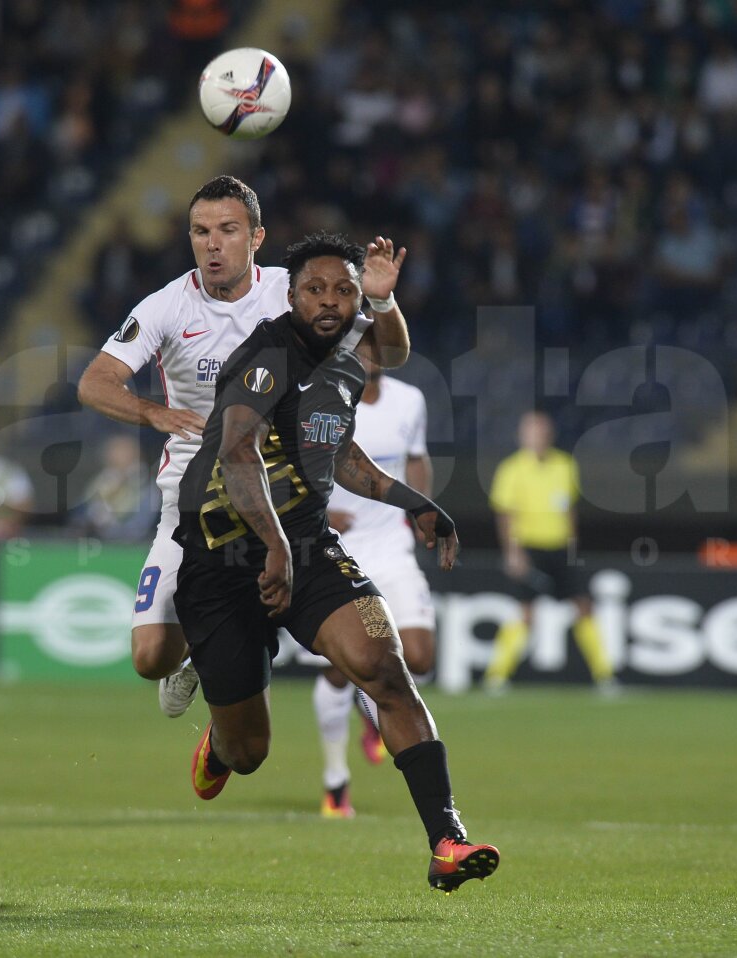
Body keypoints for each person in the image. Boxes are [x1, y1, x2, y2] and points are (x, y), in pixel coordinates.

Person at [172, 232, 499, 892]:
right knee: (250, 752)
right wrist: (273, 548)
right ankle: (221, 731)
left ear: (357, 299)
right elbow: (237, 455)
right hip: (224, 554)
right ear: (291, 297)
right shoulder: (266, 354)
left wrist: (414, 501)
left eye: (343, 291)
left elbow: (340, 455)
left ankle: (447, 841)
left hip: (305, 547)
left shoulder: (349, 365)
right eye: (315, 290)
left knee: (385, 670)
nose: (329, 301)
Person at [77, 174, 411, 717]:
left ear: (256, 238)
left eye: (228, 230)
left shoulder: (293, 290)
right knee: (149, 657)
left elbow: (389, 355)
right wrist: (152, 411)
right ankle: (206, 653)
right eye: (201, 231)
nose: (213, 243)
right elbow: (94, 382)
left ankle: (249, 654)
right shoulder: (167, 306)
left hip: (281, 499)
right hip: (192, 507)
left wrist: (384, 300)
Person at [315, 359, 436, 818]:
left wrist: (420, 509)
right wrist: (320, 515)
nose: (374, 353)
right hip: (337, 552)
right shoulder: (321, 398)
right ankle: (335, 784)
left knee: (420, 656)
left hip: (392, 548)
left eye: (381, 344)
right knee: (337, 669)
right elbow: (285, 466)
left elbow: (417, 458)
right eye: (365, 343)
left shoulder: (410, 400)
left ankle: (371, 712)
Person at [483, 410, 617, 693]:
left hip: (560, 548)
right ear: (522, 436)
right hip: (529, 548)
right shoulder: (512, 469)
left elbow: (569, 510)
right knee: (525, 613)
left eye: (541, 432)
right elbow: (505, 515)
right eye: (531, 432)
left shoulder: (565, 465)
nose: (537, 437)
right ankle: (496, 676)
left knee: (584, 606)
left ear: (549, 435)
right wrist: (513, 553)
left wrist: (572, 545)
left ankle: (605, 676)